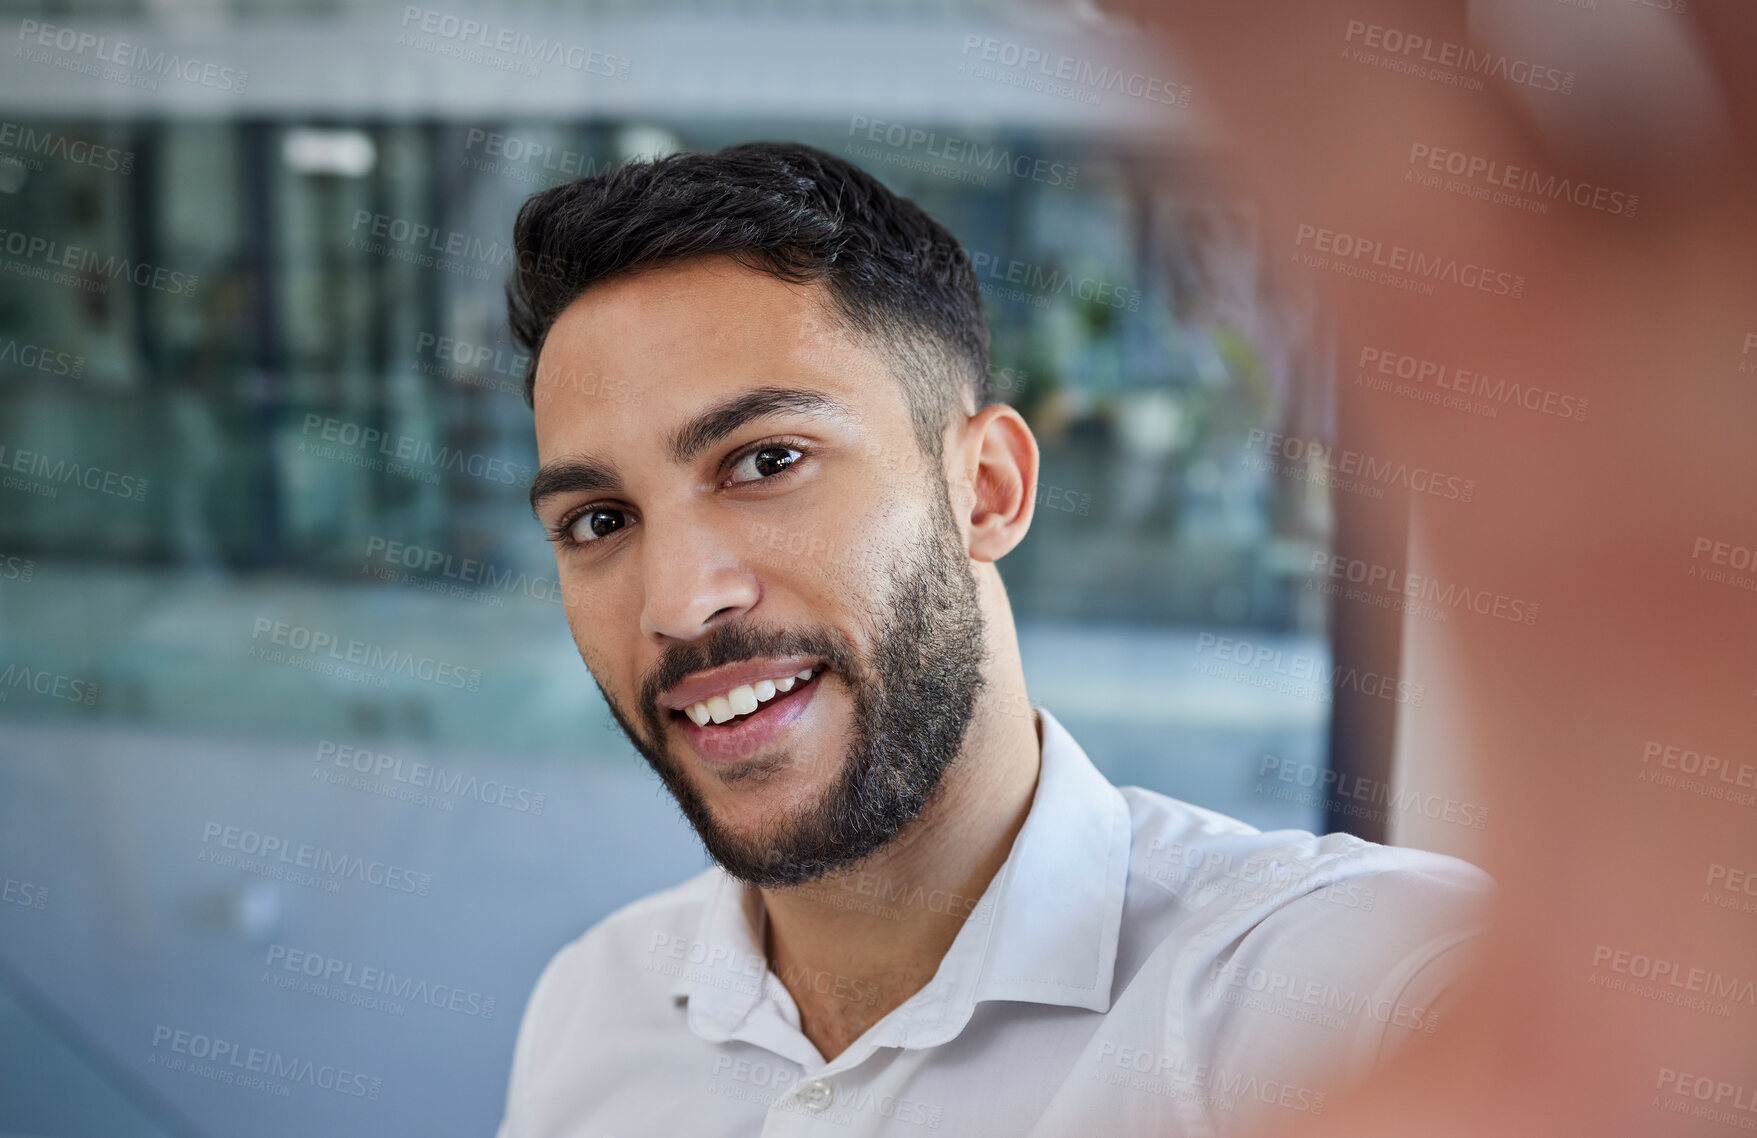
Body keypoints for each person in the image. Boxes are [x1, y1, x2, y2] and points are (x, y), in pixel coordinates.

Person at [492, 141, 1491, 1137]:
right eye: (598, 521)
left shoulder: (1315, 993)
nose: (676, 600)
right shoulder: (593, 1007)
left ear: (985, 489)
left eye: (766, 459)